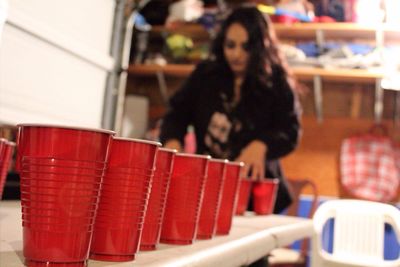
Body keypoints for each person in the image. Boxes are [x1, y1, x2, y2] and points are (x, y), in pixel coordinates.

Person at [160, 2, 301, 230]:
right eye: (231, 45)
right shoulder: (206, 75)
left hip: (255, 198)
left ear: (260, 47)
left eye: (246, 47)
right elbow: (176, 113)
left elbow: (291, 131)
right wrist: (173, 141)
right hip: (206, 191)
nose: (237, 54)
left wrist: (262, 144)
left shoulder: (277, 82)